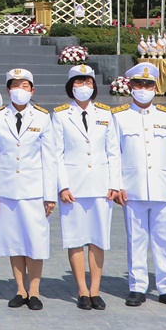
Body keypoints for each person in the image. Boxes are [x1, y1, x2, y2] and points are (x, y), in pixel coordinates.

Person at [110, 62, 166, 309]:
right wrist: (116, 184)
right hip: (132, 189)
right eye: (139, 84)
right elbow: (114, 154)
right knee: (136, 239)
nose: (143, 88)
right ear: (130, 86)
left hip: (162, 186)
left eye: (148, 84)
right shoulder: (120, 116)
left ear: (155, 87)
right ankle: (137, 286)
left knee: (164, 240)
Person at [51, 64, 120, 311]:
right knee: (76, 239)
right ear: (71, 87)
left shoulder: (104, 113)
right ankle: (81, 290)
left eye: (88, 83)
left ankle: (95, 290)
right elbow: (56, 154)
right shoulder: (60, 115)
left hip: (101, 185)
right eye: (79, 83)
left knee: (98, 239)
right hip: (74, 187)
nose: (84, 87)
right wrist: (62, 185)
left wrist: (114, 184)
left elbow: (113, 152)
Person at [0, 69, 57, 310]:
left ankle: (35, 291)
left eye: (25, 86)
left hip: (34, 190)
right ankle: (20, 289)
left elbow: (49, 158)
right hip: (7, 190)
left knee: (35, 241)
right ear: (8, 90)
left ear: (32, 90)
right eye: (15, 85)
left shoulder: (42, 117)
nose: (20, 90)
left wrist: (50, 195)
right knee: (14, 241)